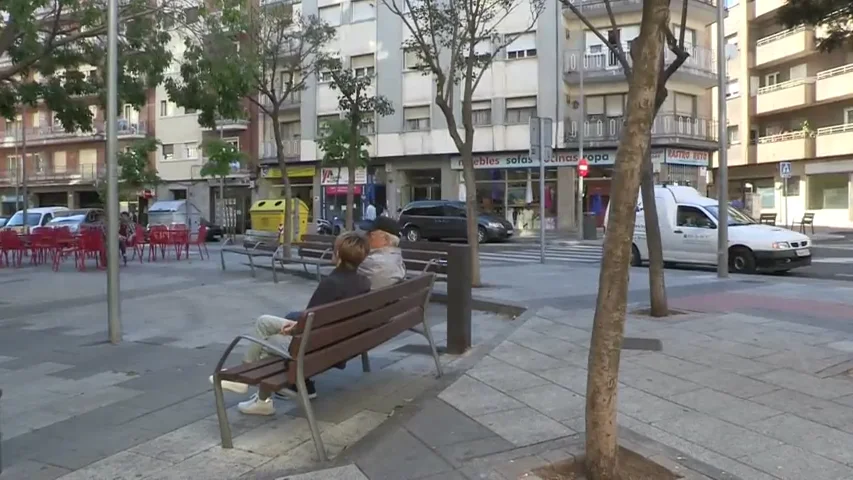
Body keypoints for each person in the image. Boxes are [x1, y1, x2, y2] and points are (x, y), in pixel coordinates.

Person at [211, 232, 372, 416]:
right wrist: (296, 326)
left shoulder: (332, 283)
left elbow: (310, 321)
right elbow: (315, 318)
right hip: (333, 341)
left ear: (339, 254)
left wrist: (294, 329)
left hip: (313, 346)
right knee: (264, 322)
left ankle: (259, 395)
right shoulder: (363, 282)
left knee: (269, 342)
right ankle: (246, 384)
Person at [358, 216, 406, 290]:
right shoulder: (397, 259)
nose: (365, 236)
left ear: (385, 240)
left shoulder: (369, 263)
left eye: (371, 234)